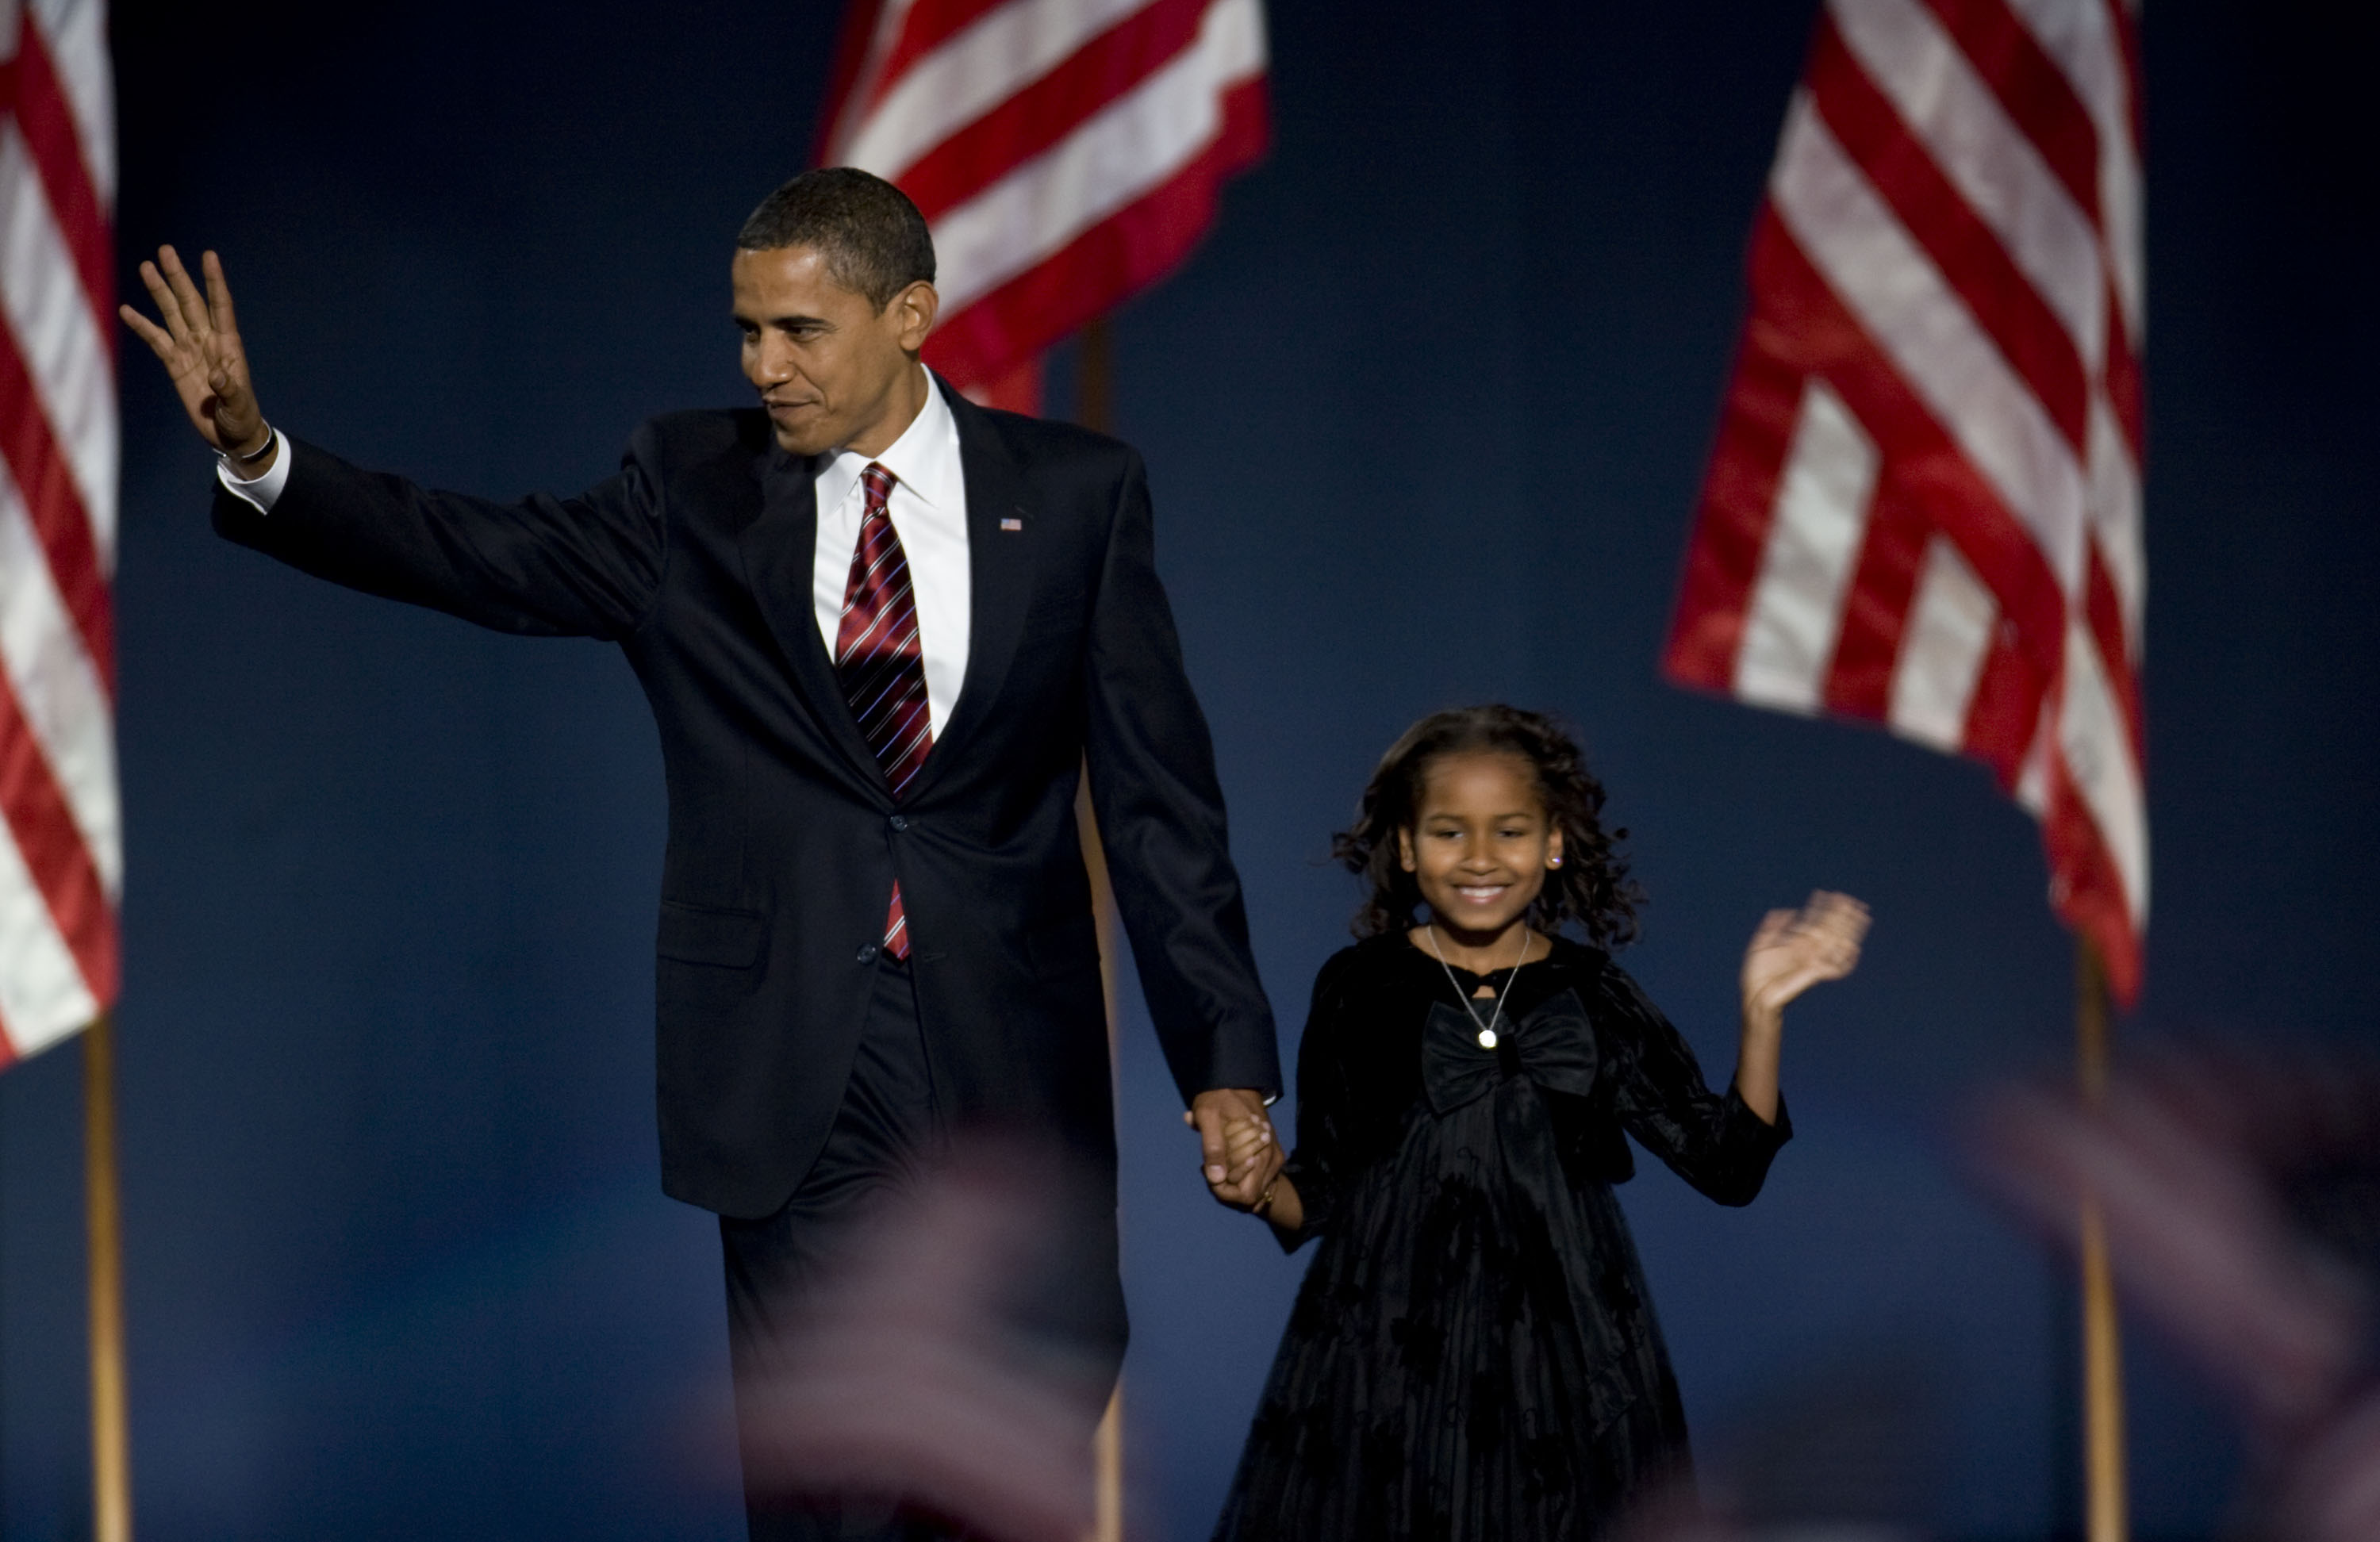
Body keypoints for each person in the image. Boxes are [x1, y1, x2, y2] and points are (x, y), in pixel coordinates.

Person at [119, 167, 1284, 1540]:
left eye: (801, 331)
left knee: (1011, 1459)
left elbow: (1160, 803)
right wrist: (263, 455)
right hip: (795, 1059)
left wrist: (1222, 1062)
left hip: (1006, 1057)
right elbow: (482, 556)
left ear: (909, 314)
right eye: (746, 330)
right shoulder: (691, 485)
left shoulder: (1080, 494)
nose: (763, 365)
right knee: (825, 1481)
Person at [1210, 704, 1869, 1540]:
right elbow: (1324, 1190)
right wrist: (1261, 1185)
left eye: (1510, 830)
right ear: (1407, 849)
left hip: (1571, 1366)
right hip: (1389, 1363)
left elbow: (1728, 1167)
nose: (1480, 857)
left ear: (1553, 842)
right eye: (1450, 832)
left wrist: (1761, 1012)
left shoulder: (1595, 994)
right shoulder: (1356, 988)